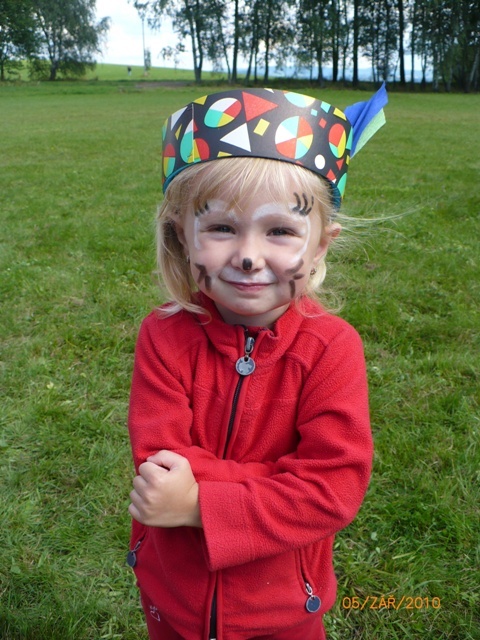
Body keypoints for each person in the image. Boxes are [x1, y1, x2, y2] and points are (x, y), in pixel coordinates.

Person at [127, 85, 388, 640]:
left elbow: (331, 488)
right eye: (221, 227)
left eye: (280, 231)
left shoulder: (332, 349)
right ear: (182, 237)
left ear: (320, 246)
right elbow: (160, 461)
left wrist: (199, 503)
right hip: (172, 597)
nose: (248, 256)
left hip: (282, 610)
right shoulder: (164, 335)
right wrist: (277, 483)